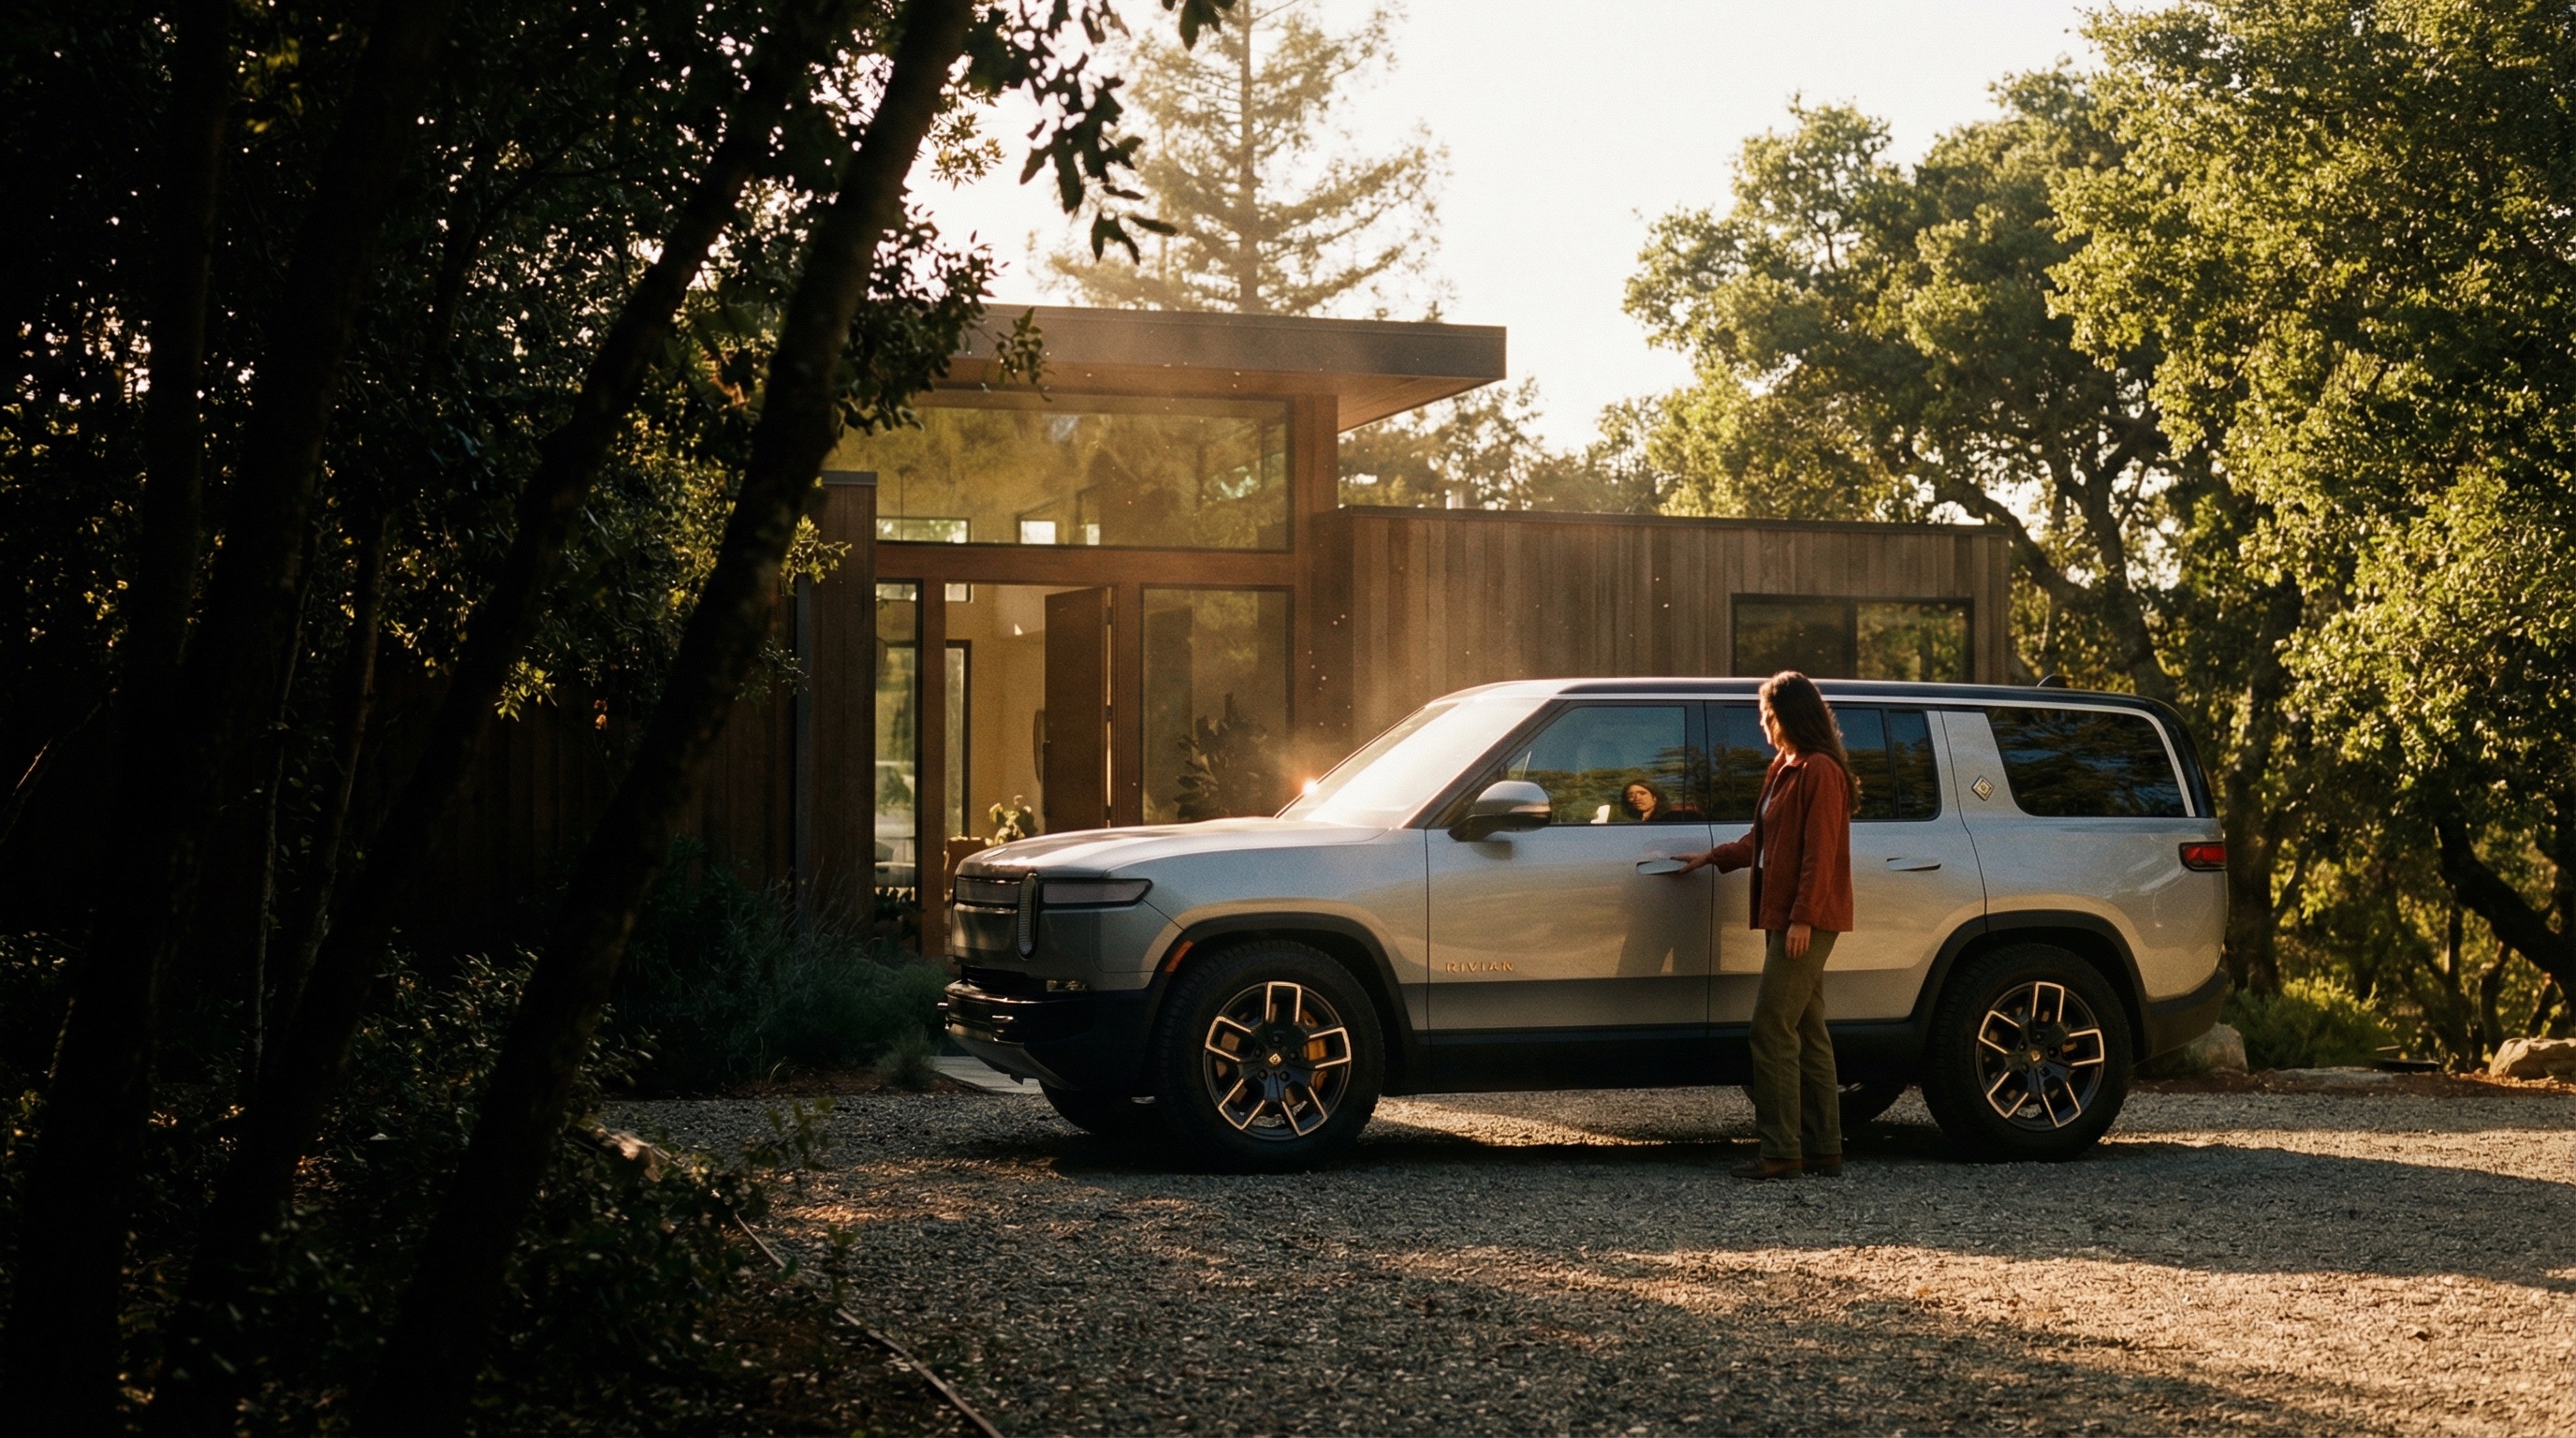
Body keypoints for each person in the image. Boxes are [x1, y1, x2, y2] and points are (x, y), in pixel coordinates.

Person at [1671, 671, 1856, 1180]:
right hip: (1789, 916)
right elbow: (1763, 839)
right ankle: (1823, 1149)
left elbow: (1821, 854)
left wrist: (1802, 919)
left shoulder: (1820, 770)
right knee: (1808, 1028)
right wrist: (1713, 856)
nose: (1763, 725)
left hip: (1806, 918)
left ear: (1791, 715)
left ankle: (1780, 1153)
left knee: (1770, 1029)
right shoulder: (1785, 767)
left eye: (1768, 716)